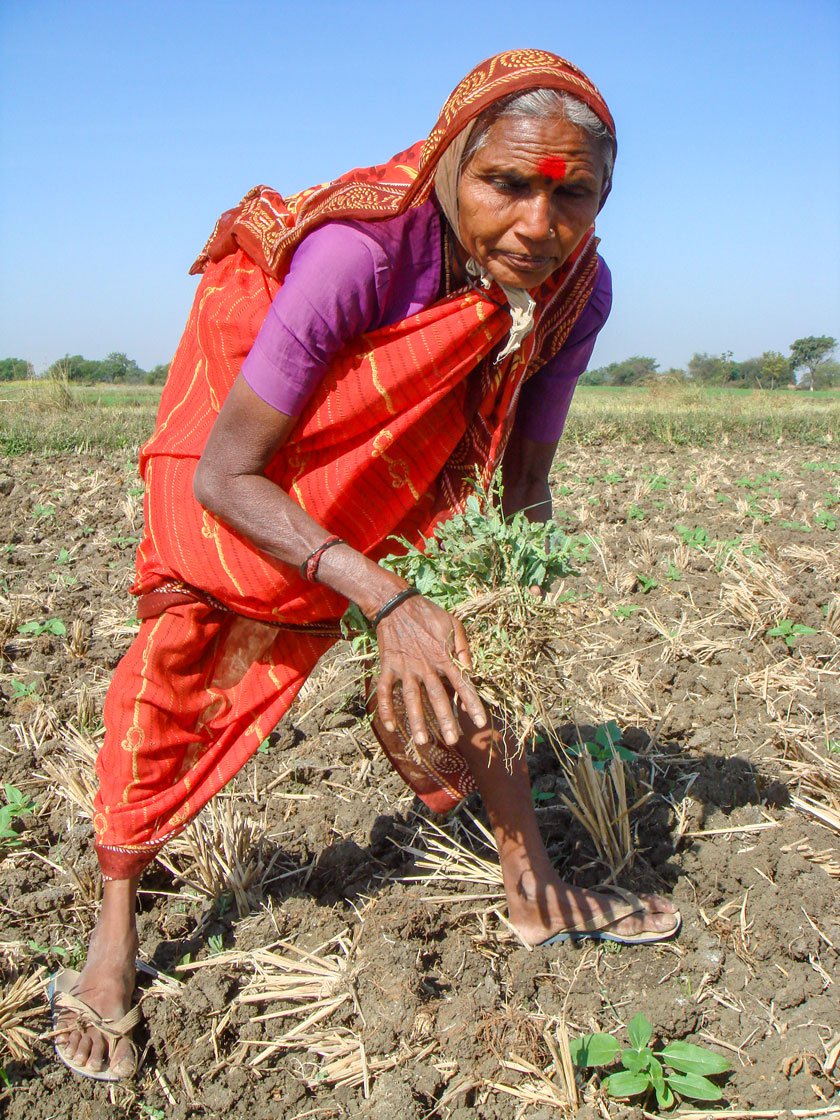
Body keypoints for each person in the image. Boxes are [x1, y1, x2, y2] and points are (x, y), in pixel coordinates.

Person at [50, 48, 680, 1082]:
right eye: (507, 183)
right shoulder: (363, 255)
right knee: (186, 668)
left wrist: (502, 603)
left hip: (405, 460)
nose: (538, 222)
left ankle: (533, 884)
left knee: (470, 638)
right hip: (255, 456)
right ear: (449, 161)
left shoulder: (576, 289)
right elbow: (227, 474)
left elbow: (523, 468)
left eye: (575, 195)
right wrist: (386, 598)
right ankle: (114, 925)